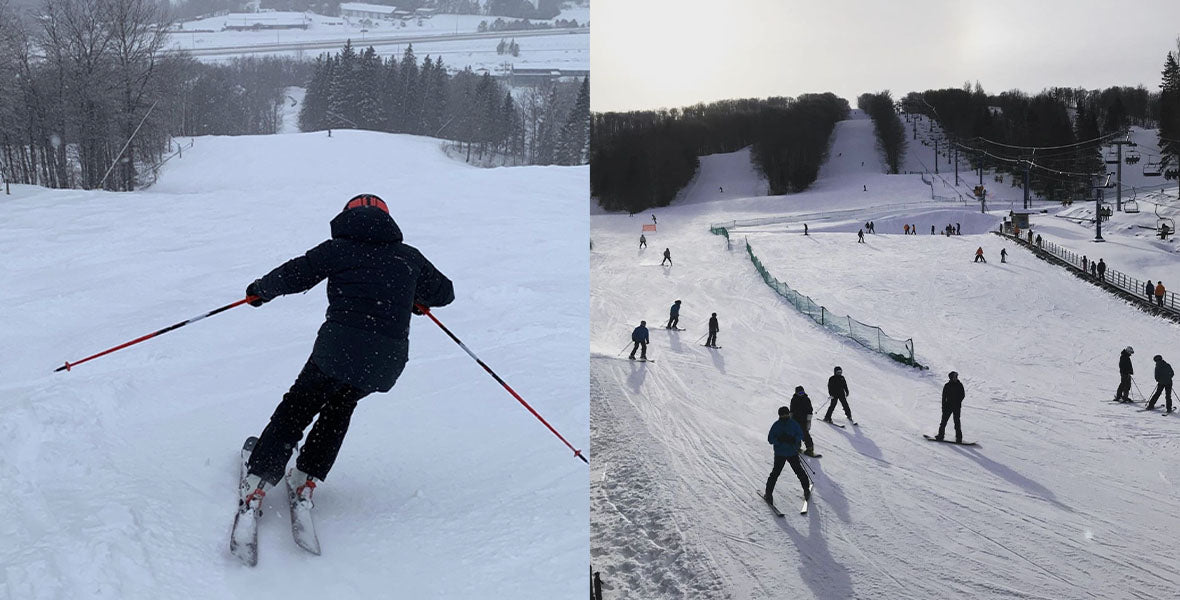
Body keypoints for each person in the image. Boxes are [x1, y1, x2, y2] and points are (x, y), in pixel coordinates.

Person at [240, 193, 455, 510]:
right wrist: (413, 297)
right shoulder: (408, 257)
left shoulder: (338, 250)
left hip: (337, 351)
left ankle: (258, 480)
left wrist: (259, 290)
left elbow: (295, 274)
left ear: (346, 217)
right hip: (385, 362)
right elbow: (444, 293)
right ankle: (307, 477)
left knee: (298, 407)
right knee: (340, 407)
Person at [764, 406, 810, 505]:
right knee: (775, 474)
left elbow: (800, 435)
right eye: (783, 414)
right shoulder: (776, 425)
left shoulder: (793, 424)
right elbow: (770, 439)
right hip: (780, 453)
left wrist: (793, 439)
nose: (785, 416)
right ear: (780, 415)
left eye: (786, 414)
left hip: (792, 452)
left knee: (799, 471)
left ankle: (806, 489)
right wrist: (779, 440)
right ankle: (768, 494)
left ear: (788, 414)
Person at [936, 371, 965, 442]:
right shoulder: (947, 385)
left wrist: (958, 402)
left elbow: (963, 395)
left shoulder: (959, 385)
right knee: (943, 422)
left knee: (957, 422)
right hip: (948, 406)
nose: (956, 378)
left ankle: (959, 438)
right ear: (951, 377)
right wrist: (943, 407)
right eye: (955, 376)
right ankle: (940, 436)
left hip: (957, 407)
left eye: (956, 376)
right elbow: (943, 397)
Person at [790, 386, 818, 457]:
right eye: (799, 393)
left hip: (804, 420)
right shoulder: (794, 399)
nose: (801, 394)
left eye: (802, 392)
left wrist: (809, 421)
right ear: (796, 393)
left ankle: (809, 449)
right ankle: (797, 447)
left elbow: (810, 410)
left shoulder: (806, 399)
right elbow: (792, 410)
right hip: (795, 419)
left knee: (805, 434)